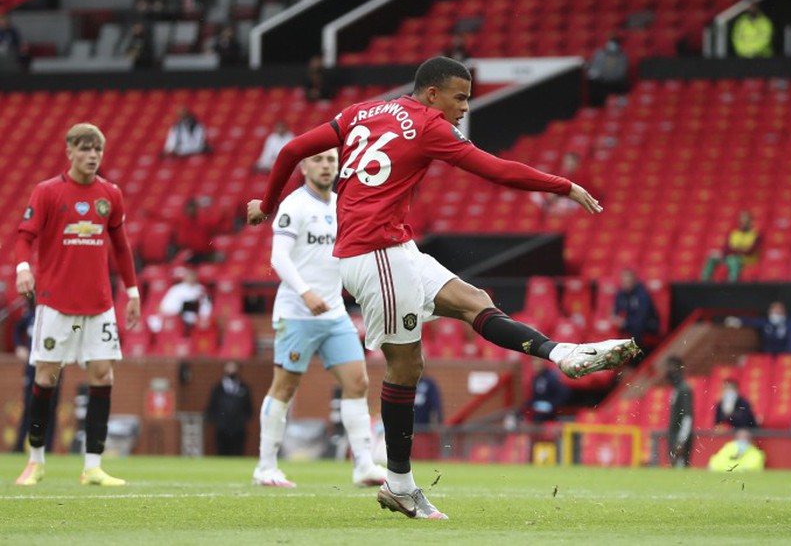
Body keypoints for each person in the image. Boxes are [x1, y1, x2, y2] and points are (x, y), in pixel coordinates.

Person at [247, 56, 638, 520]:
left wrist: (267, 204)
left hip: (395, 248)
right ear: (432, 94)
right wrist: (562, 185)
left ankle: (561, 354)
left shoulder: (361, 111)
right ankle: (399, 484)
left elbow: (292, 149)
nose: (465, 107)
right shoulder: (429, 124)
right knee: (405, 365)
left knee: (474, 301)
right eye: (460, 97)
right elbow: (494, 169)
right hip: (375, 253)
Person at [13, 122, 140, 487]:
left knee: (103, 376)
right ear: (69, 152)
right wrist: (23, 269)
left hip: (99, 304)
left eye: (97, 150)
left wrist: (132, 292)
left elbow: (121, 247)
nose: (92, 155)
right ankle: (36, 460)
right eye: (85, 149)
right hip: (56, 304)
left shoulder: (110, 194)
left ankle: (93, 466)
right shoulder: (47, 192)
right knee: (46, 378)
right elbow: (24, 238)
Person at [253, 148, 387, 488]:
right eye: (318, 160)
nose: (325, 166)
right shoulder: (294, 205)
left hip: (334, 313)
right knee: (284, 387)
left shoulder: (342, 205)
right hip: (297, 313)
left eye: (330, 160)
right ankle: (266, 467)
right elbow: (279, 257)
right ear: (303, 166)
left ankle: (363, 465)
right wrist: (305, 292)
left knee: (357, 382)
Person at [11, 298, 61, 453]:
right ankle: (20, 446)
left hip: (55, 367)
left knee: (51, 407)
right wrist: (19, 346)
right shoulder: (31, 316)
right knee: (29, 406)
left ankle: (47, 447)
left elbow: (77, 327)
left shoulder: (61, 317)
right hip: (32, 367)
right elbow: (17, 328)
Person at [206, 361, 253, 456]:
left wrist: (242, 420)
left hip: (239, 429)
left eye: (233, 368)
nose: (231, 371)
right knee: (222, 453)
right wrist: (218, 421)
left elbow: (249, 408)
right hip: (222, 428)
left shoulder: (244, 388)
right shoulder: (217, 388)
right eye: (229, 368)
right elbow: (212, 407)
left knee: (238, 453)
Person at [700, 210, 760, 282]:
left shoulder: (755, 235)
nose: (743, 222)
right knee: (712, 257)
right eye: (741, 220)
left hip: (746, 259)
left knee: (734, 261)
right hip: (731, 256)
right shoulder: (734, 233)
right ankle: (704, 282)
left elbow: (750, 251)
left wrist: (735, 250)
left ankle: (732, 283)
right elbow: (726, 248)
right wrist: (737, 250)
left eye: (746, 220)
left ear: (751, 221)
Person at [727, 301, 791, 355]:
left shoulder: (790, 323)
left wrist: (788, 353)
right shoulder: (766, 321)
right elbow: (753, 321)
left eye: (778, 312)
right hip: (767, 354)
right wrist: (739, 321)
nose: (775, 315)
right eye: (773, 312)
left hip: (783, 354)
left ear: (784, 313)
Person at [612, 268, 660, 346]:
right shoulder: (620, 293)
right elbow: (616, 310)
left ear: (634, 281)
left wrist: (625, 322)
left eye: (629, 282)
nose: (627, 285)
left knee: (637, 326)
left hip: (648, 323)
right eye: (624, 282)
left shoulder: (642, 294)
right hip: (630, 322)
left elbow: (642, 316)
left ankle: (635, 351)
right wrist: (615, 318)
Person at [159, 267, 212, 334]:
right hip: (178, 316)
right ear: (185, 277)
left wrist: (203, 316)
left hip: (195, 317)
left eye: (193, 277)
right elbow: (165, 305)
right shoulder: (176, 289)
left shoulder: (201, 289)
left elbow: (206, 306)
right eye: (189, 276)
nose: (191, 279)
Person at [665, 356, 694, 468]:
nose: (669, 370)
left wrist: (681, 440)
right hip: (674, 435)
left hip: (680, 436)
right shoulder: (676, 389)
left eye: (671, 367)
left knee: (680, 467)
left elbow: (688, 416)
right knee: (674, 466)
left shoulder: (684, 389)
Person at [585, 35, 629, 106]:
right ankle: (594, 106)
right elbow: (592, 65)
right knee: (590, 85)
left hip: (614, 83)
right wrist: (591, 71)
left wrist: (601, 75)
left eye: (614, 44)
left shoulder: (622, 57)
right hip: (599, 81)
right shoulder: (600, 54)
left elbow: (620, 74)